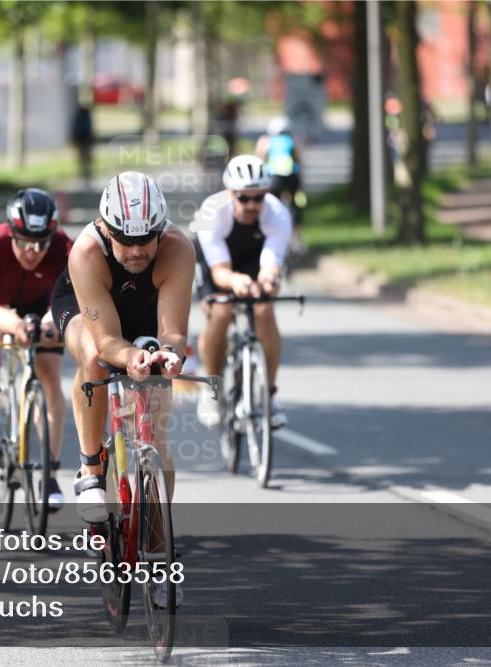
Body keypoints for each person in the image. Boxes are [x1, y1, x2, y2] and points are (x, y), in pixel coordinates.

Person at [51, 171, 193, 606]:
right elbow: (109, 340)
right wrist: (127, 356)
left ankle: (157, 552)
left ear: (160, 230)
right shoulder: (87, 251)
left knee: (157, 438)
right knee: (94, 357)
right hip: (88, 313)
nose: (135, 250)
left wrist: (167, 356)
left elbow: (172, 333)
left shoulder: (177, 250)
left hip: (145, 313)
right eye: (125, 240)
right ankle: (91, 467)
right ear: (106, 228)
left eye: (145, 239)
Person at [0, 188, 72, 511]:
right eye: (24, 241)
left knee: (50, 376)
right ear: (11, 233)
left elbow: (65, 300)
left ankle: (50, 473)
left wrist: (50, 323)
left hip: (42, 302)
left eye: (41, 242)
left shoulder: (66, 250)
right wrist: (18, 328)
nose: (33, 250)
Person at [192, 155, 291, 430]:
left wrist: (268, 280)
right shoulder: (212, 211)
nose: (251, 205)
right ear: (229, 193)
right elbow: (220, 272)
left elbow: (271, 264)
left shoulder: (278, 214)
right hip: (216, 261)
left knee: (264, 308)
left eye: (258, 197)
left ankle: (268, 396)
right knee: (221, 312)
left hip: (252, 253)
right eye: (243, 198)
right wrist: (237, 283)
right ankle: (210, 391)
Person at [254, 116, 303, 226]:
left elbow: (259, 159)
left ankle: (272, 228)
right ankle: (297, 236)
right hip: (291, 177)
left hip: (273, 178)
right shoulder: (292, 140)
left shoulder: (265, 140)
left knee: (271, 205)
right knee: (294, 206)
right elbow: (298, 159)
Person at [70, 103, 94, 186]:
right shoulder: (83, 116)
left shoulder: (82, 116)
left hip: (84, 140)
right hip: (84, 140)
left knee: (85, 158)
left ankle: (86, 173)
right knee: (84, 158)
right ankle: (85, 173)